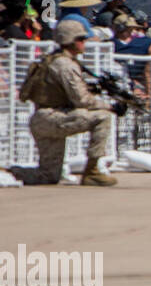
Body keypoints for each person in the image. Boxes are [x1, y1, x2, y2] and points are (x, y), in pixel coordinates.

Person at [12, 19, 122, 186]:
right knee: (103, 117)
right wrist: (111, 107)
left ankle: (10, 173)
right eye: (81, 39)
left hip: (43, 119)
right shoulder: (65, 65)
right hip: (52, 117)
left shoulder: (52, 60)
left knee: (48, 176)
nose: (84, 43)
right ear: (71, 40)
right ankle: (92, 171)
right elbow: (82, 100)